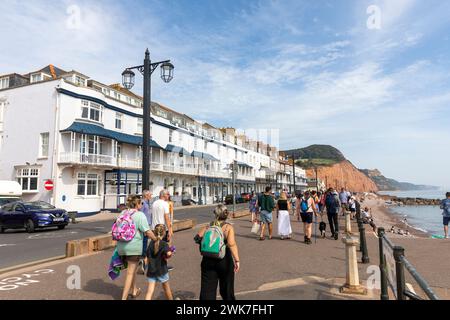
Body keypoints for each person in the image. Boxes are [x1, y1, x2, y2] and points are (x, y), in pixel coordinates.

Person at [116, 195, 157, 300]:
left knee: (131, 269)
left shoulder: (122, 213)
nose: (142, 205)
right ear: (137, 204)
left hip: (121, 247)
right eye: (141, 203)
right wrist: (156, 239)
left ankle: (134, 290)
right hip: (133, 248)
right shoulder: (140, 215)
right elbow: (147, 231)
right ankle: (123, 298)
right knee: (130, 273)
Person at [195, 204, 240, 300]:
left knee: (207, 289)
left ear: (216, 214)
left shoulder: (209, 226)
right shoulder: (228, 227)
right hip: (224, 260)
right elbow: (231, 244)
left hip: (207, 260)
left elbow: (197, 238)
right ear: (226, 214)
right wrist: (237, 260)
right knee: (227, 288)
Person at [145, 224, 174, 300]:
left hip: (151, 270)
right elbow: (168, 254)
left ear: (154, 232)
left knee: (150, 291)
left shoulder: (151, 243)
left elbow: (147, 256)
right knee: (166, 289)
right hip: (162, 270)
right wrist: (171, 251)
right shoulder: (164, 244)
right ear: (164, 233)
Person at [152, 189, 174, 271]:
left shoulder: (154, 203)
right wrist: (170, 230)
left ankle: (156, 265)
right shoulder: (165, 204)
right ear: (163, 195)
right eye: (168, 194)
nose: (169, 196)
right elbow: (167, 218)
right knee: (164, 248)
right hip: (162, 229)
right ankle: (163, 266)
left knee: (156, 247)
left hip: (154, 228)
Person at [138, 190, 153, 275]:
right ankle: (142, 261)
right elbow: (141, 214)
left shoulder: (146, 202)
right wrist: (143, 228)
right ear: (146, 195)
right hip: (145, 227)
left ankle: (143, 262)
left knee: (146, 244)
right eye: (150, 195)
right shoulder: (143, 203)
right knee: (144, 244)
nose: (151, 196)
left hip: (147, 225)